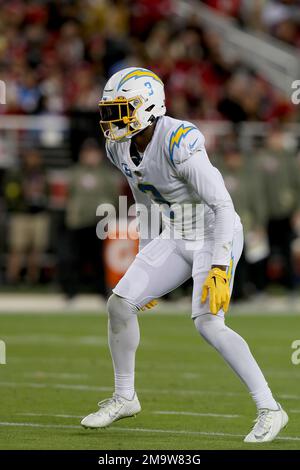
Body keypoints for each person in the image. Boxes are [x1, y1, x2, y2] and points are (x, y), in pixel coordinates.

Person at [81, 67, 288, 443]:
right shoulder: (119, 146)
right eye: (109, 110)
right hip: (177, 233)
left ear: (148, 106)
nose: (112, 119)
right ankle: (125, 396)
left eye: (121, 109)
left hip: (215, 233)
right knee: (120, 304)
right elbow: (144, 202)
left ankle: (270, 408)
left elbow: (223, 206)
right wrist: (145, 265)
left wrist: (221, 267)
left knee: (209, 324)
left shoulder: (178, 138)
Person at [61, 139, 119, 299]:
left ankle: (101, 290)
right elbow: (69, 194)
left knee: (98, 258)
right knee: (74, 257)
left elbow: (114, 195)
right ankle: (71, 291)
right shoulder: (75, 172)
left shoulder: (106, 174)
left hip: (98, 222)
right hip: (78, 221)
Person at [4, 149, 49, 284]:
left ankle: (32, 279)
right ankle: (12, 278)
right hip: (21, 214)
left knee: (36, 250)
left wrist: (41, 194)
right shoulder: (16, 174)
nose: (34, 160)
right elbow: (9, 193)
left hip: (38, 214)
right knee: (17, 248)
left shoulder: (42, 173)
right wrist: (22, 193)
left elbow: (48, 192)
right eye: (31, 157)